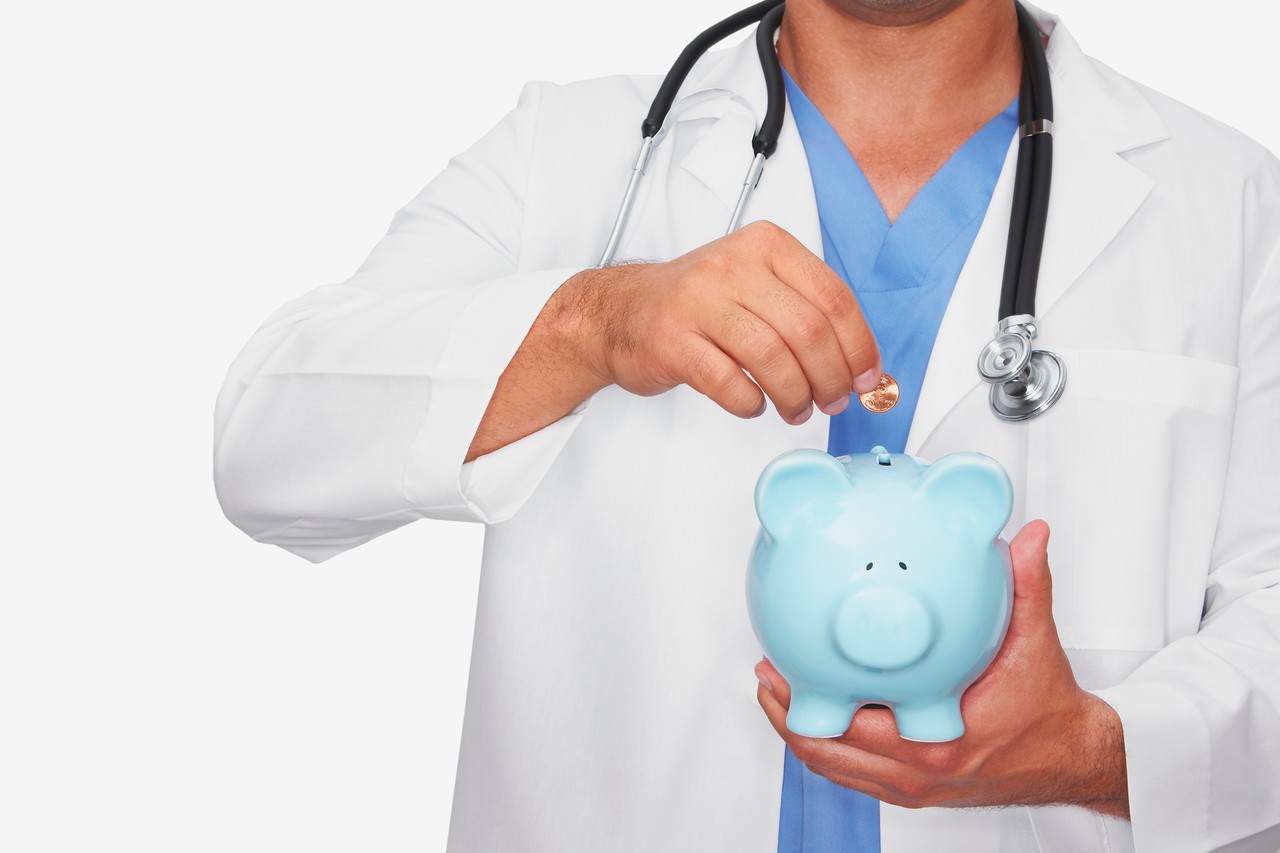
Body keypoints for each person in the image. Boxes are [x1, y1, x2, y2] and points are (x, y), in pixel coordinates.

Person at [212, 0, 1280, 850]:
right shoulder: (567, 154)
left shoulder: (1226, 199)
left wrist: (1096, 750)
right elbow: (264, 441)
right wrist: (593, 321)